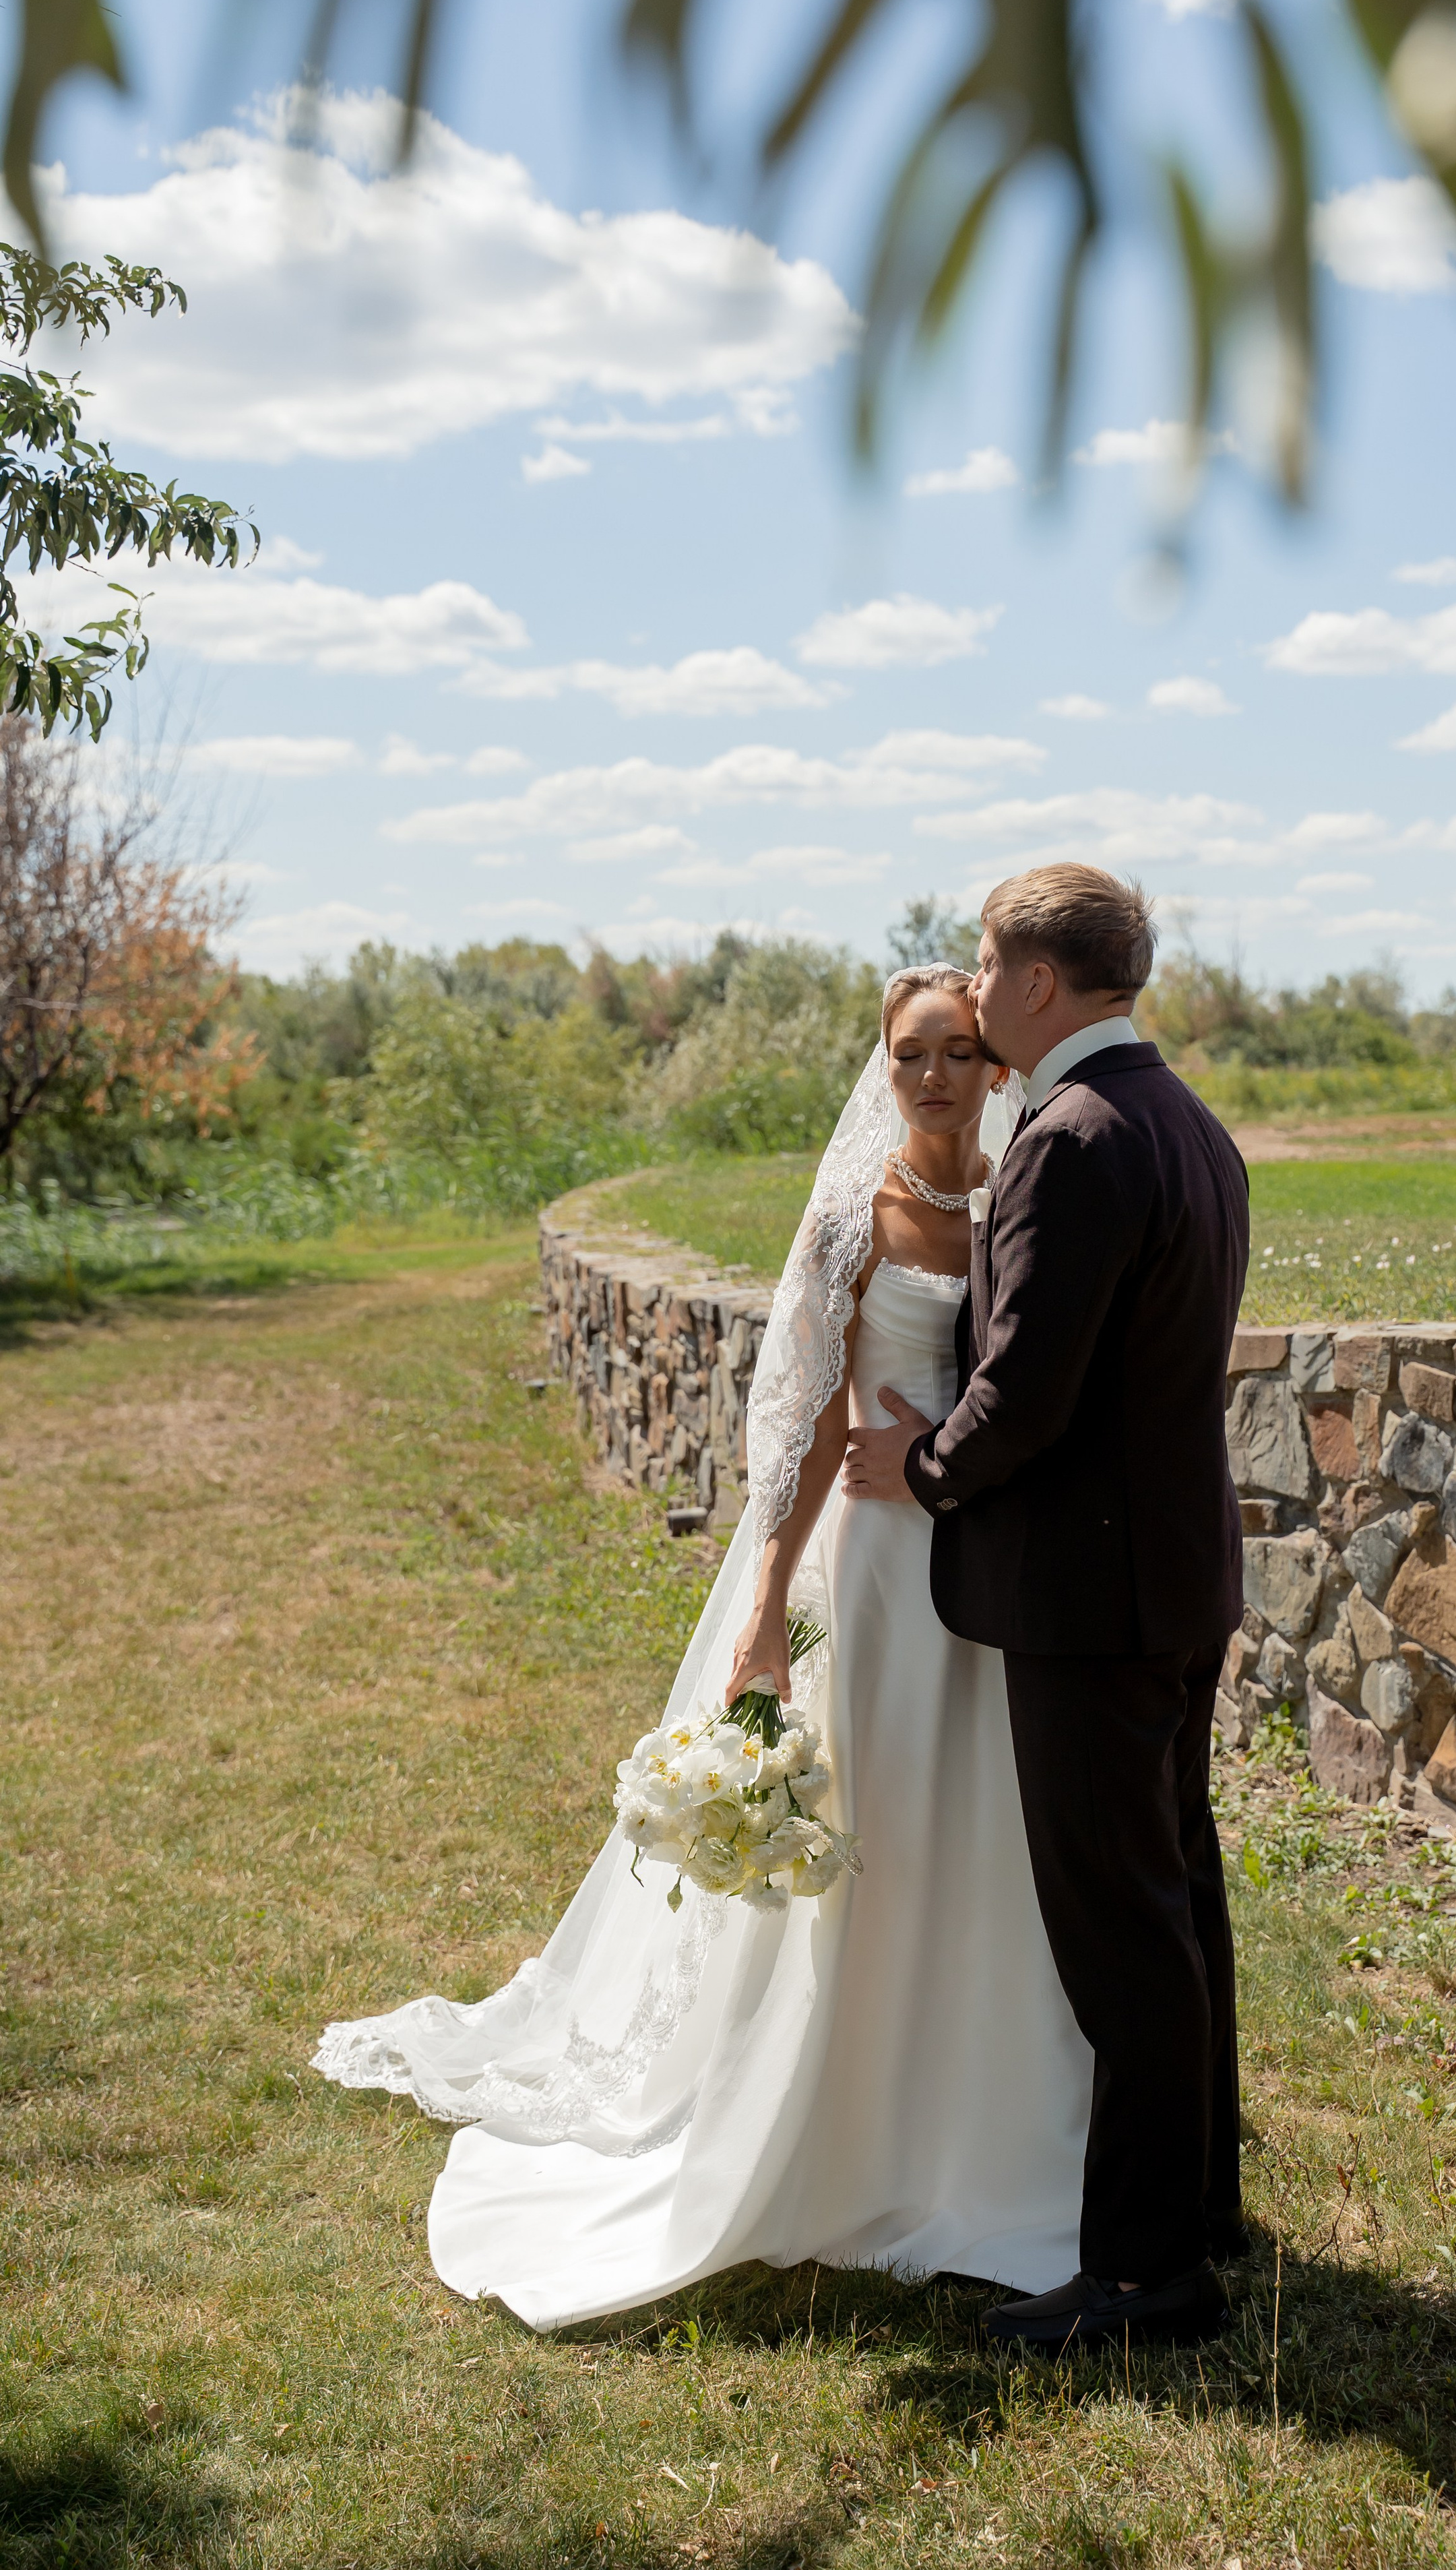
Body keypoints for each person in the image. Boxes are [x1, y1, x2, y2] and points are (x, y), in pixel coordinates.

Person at [311, 964, 1093, 2330]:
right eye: (909, 1055)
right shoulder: (852, 1219)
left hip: (991, 1571)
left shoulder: (1019, 1195)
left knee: (983, 1831)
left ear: (994, 1067)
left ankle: (984, 2116)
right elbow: (799, 1429)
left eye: (957, 1053)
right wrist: (767, 1607)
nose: (933, 1077)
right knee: (871, 1829)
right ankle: (838, 2118)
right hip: (876, 1570)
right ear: (883, 1069)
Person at [842, 864, 1251, 2352]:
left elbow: (1023, 1390)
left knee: (1121, 1931)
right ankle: (1196, 2209)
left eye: (981, 963)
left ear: (1031, 981)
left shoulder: (1070, 1137)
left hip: (1088, 1595)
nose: (970, 984)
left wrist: (919, 1466)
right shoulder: (1186, 1120)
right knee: (1175, 1901)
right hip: (1172, 1578)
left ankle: (1145, 2280)